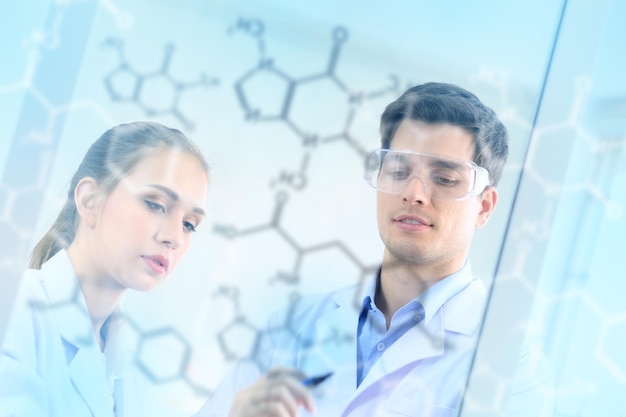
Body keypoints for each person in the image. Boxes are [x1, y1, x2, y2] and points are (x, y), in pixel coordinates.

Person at [194, 82, 553, 417]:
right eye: (398, 170)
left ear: (485, 207)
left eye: (443, 178)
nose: (414, 193)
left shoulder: (512, 366)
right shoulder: (292, 327)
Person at [0, 121, 210, 417]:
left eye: (189, 224)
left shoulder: (134, 364)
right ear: (90, 200)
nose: (174, 238)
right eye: (155, 204)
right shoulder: (12, 308)